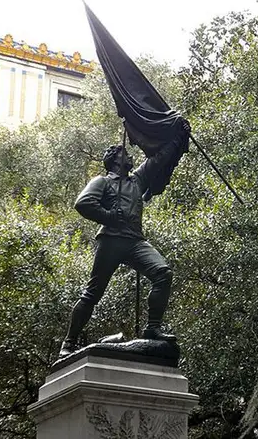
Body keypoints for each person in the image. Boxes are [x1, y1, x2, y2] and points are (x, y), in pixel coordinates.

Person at [59, 118, 190, 358]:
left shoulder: (137, 180)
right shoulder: (102, 181)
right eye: (126, 154)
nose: (130, 157)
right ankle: (68, 342)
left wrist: (178, 137)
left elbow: (159, 159)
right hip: (110, 240)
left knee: (163, 273)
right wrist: (109, 215)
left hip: (134, 240)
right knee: (92, 294)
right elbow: (83, 203)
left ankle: (153, 327)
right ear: (116, 159)